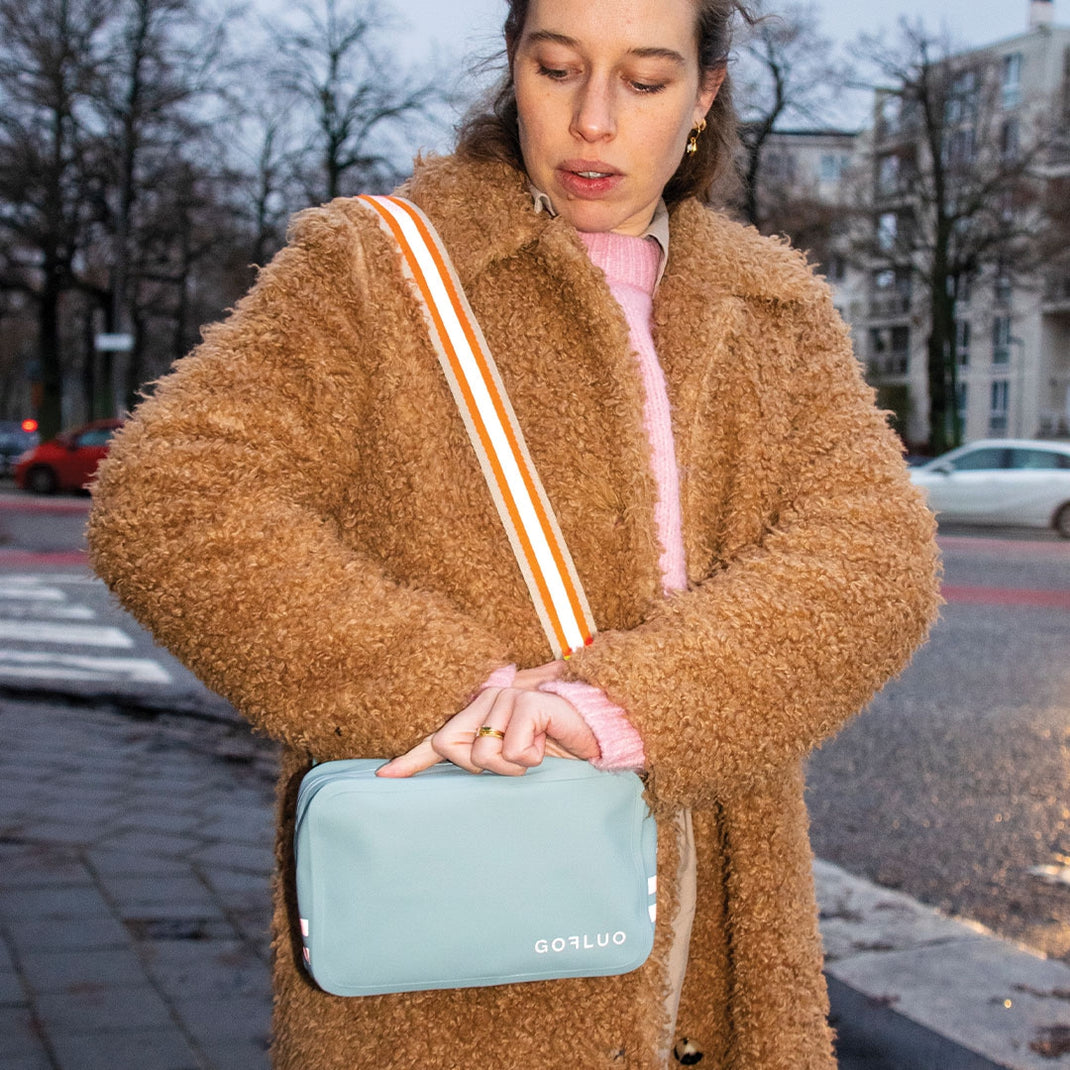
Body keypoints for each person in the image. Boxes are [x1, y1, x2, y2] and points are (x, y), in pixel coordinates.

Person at [86, 0, 941, 1065]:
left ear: (703, 94)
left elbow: (875, 557)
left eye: (642, 81)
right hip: (457, 959)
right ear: (511, 64)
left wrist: (617, 709)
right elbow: (171, 499)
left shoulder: (772, 306)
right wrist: (471, 703)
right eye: (555, 67)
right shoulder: (374, 270)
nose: (592, 121)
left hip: (718, 947)